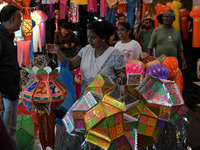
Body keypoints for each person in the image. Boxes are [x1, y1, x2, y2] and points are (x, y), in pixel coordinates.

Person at [47, 20, 127, 98]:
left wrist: (122, 77)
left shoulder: (115, 55)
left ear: (103, 38)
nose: (89, 40)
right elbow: (70, 65)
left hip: (106, 101)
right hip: (87, 98)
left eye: (93, 38)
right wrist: (58, 52)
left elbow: (122, 80)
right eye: (88, 37)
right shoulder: (86, 50)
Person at [0, 5, 22, 150]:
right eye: (20, 18)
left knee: (12, 131)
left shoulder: (9, 36)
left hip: (12, 90)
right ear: (12, 19)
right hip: (4, 93)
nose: (21, 21)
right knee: (5, 133)